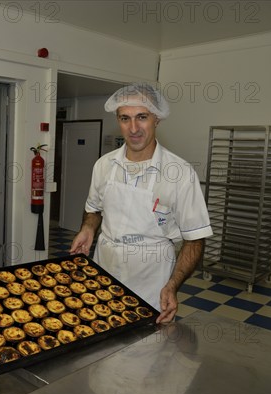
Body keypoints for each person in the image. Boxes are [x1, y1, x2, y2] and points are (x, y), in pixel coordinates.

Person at [70, 83, 213, 324]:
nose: (133, 128)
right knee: (99, 346)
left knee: (143, 353)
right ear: (118, 120)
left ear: (157, 119)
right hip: (104, 270)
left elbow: (195, 239)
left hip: (151, 280)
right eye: (125, 118)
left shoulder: (179, 172)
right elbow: (93, 209)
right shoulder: (104, 165)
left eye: (142, 117)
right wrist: (87, 228)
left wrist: (173, 285)